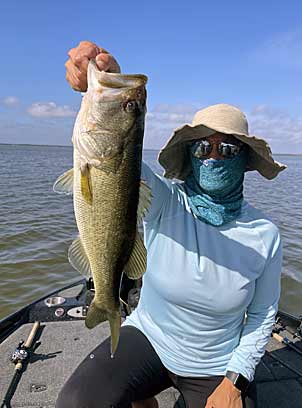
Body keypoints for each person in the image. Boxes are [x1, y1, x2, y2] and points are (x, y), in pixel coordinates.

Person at [57, 41, 287, 408]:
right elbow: (119, 163)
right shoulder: (165, 200)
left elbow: (261, 315)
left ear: (245, 159)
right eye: (202, 147)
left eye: (226, 149)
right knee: (76, 402)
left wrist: (236, 380)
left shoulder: (266, 235)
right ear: (190, 155)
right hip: (150, 339)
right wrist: (107, 80)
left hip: (215, 363)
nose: (212, 157)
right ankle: (144, 394)